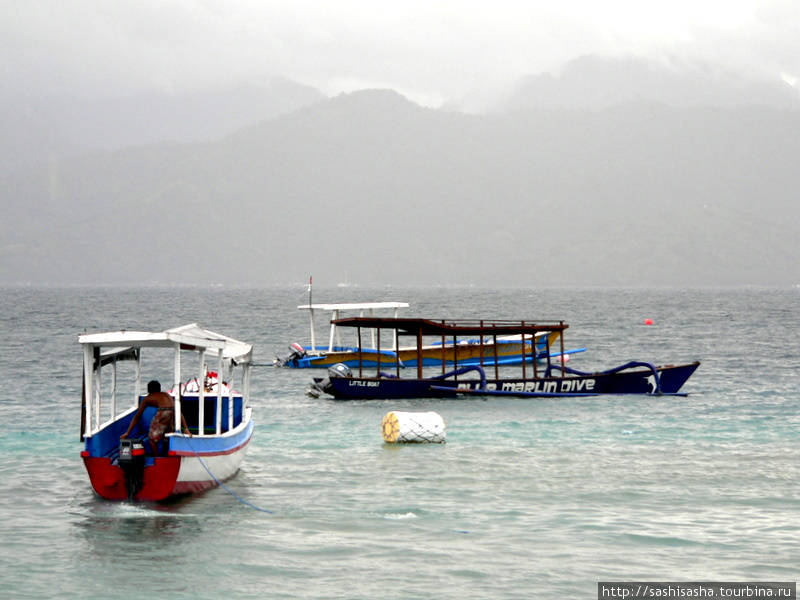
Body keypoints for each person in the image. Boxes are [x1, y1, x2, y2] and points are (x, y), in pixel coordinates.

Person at [121, 380, 191, 455]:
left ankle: (157, 456)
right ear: (159, 388)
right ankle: (166, 454)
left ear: (148, 389)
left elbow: (137, 417)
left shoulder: (148, 398)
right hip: (173, 411)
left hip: (163, 412)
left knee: (151, 438)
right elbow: (178, 412)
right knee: (167, 436)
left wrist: (127, 433)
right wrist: (185, 428)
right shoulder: (167, 395)